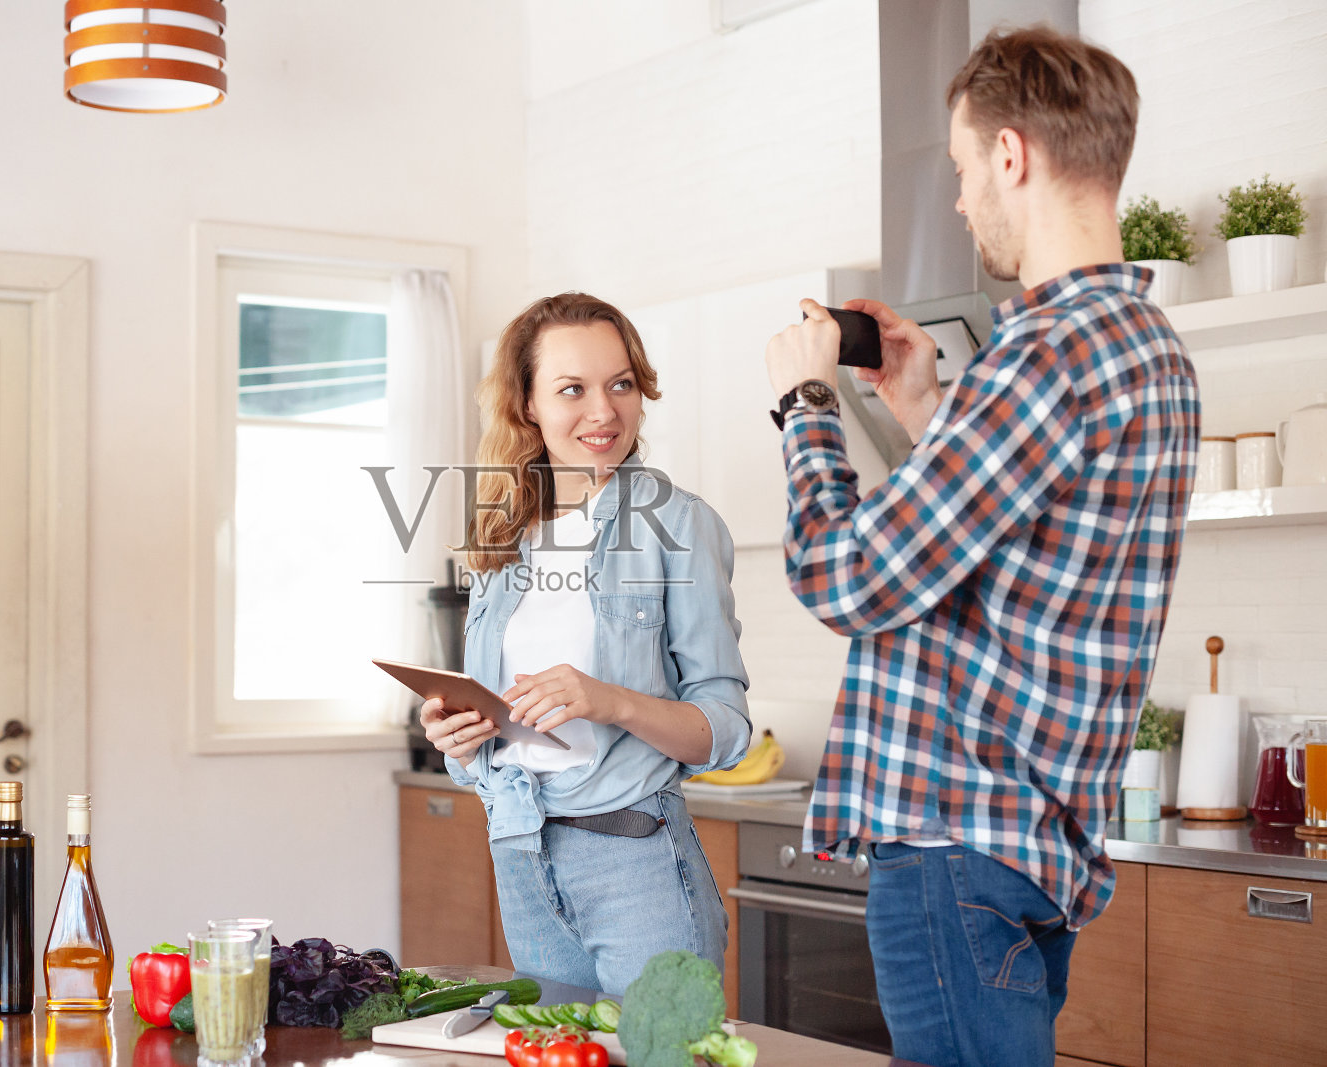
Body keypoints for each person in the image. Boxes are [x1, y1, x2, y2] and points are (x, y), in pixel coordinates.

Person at [762, 26, 1200, 1067]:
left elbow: (850, 577)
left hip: (956, 842)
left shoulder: (1040, 356)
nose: (959, 201)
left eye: (962, 170)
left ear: (1011, 155)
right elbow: (1020, 552)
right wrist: (924, 411)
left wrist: (804, 405)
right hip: (1031, 846)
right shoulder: (1146, 351)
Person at [419, 292, 752, 995]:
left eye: (621, 384)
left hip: (636, 860)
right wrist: (459, 733)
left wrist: (610, 701)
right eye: (573, 388)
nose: (604, 412)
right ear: (529, 404)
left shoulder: (680, 524)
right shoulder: (502, 534)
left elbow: (724, 729)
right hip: (521, 851)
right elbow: (489, 748)